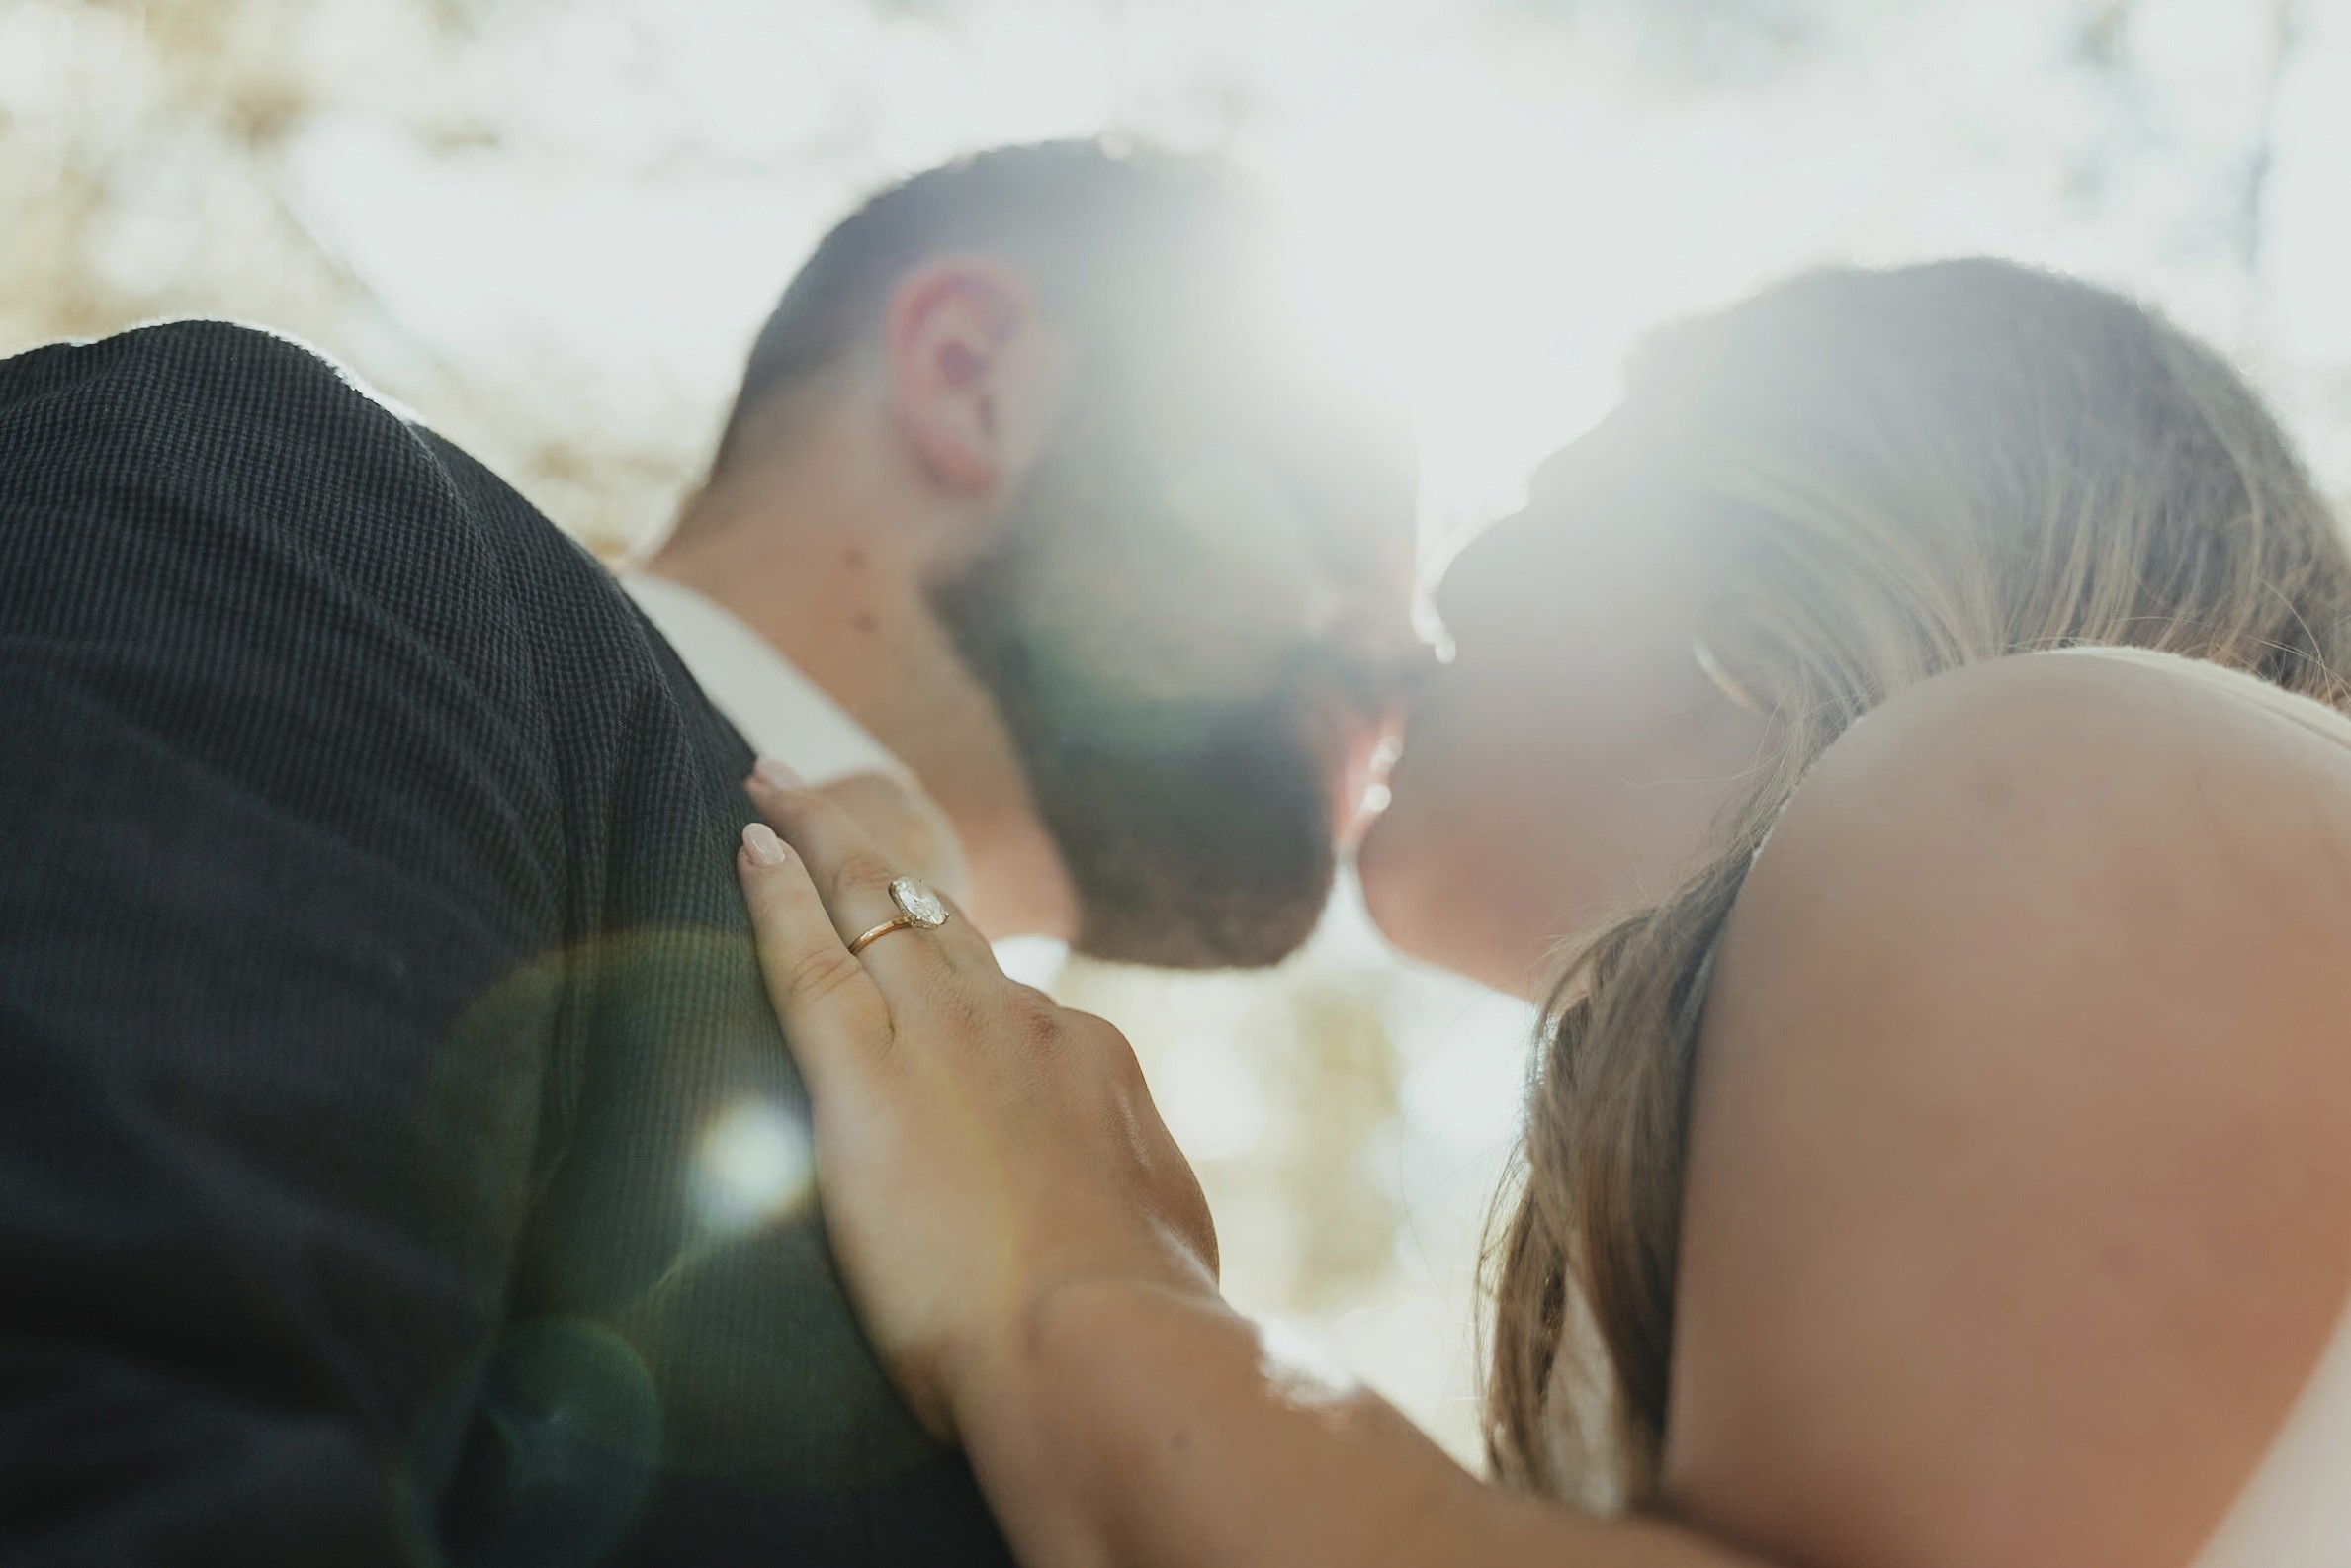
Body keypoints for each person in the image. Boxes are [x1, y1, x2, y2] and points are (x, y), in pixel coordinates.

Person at [730, 258, 2351, 1568]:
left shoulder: (2064, 759)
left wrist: (1068, 1269)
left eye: (1548, 482)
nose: (1421, 612)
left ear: (1774, 545)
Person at [0, 141, 1417, 1566]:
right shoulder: (293, 503)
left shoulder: (1095, 1170)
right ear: (975, 371)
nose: (1393, 674)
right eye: (1340, 548)